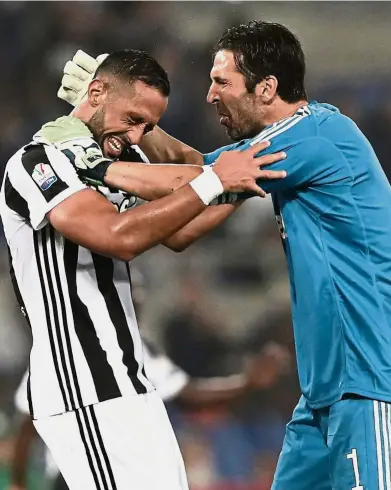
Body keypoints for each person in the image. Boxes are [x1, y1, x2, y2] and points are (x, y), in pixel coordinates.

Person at [60, 21, 391, 490]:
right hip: (327, 393)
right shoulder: (284, 150)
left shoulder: (317, 136)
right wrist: (140, 125)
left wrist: (93, 166)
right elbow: (191, 211)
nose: (209, 95)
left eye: (222, 82)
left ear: (266, 89)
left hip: (377, 378)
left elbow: (196, 179)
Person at [0, 48, 287, 490]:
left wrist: (247, 180)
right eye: (133, 119)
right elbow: (117, 236)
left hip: (127, 379)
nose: (137, 136)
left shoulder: (114, 168)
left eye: (148, 127)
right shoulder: (37, 161)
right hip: (83, 384)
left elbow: (180, 229)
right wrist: (217, 180)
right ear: (95, 92)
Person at [8, 340, 289, 490]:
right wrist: (18, 482)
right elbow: (29, 421)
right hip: (79, 474)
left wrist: (247, 382)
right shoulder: (57, 350)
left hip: (122, 471)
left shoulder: (132, 348)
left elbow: (190, 396)